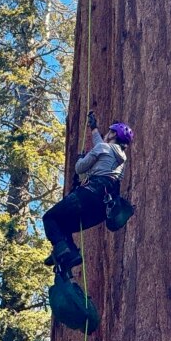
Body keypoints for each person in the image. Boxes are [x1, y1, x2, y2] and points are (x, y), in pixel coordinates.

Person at [43, 112, 134, 271]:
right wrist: (94, 129)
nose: (106, 134)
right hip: (101, 209)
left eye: (109, 131)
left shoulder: (103, 147)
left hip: (89, 194)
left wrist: (80, 159)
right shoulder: (121, 159)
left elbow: (80, 168)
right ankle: (69, 253)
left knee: (49, 217)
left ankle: (62, 247)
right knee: (63, 225)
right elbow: (103, 147)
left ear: (113, 134)